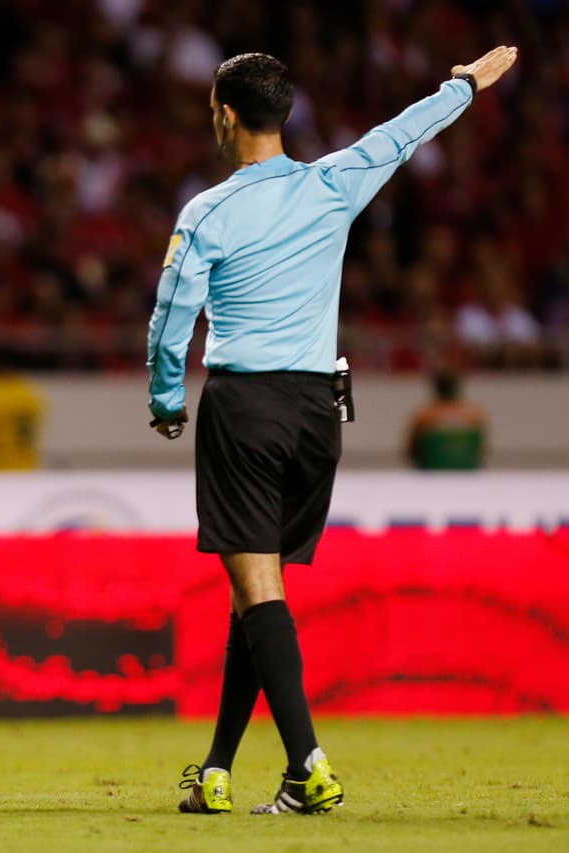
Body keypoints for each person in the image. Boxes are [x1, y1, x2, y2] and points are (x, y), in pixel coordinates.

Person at [146, 47, 518, 816]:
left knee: (255, 587)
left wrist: (165, 396)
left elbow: (170, 318)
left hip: (246, 407)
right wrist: (463, 85)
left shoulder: (207, 211)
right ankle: (216, 768)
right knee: (256, 592)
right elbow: (404, 133)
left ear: (223, 114)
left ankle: (307, 764)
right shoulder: (334, 181)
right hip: (319, 411)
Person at [406, 369, 487, 470]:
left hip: (431, 477)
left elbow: (411, 452)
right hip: (467, 478)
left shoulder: (424, 416)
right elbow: (482, 452)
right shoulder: (474, 416)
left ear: (436, 387)